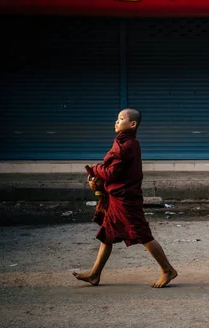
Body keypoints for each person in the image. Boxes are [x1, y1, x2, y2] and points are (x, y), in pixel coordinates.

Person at [73, 108, 178, 288]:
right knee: (107, 233)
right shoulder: (127, 142)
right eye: (117, 118)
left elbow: (113, 172)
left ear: (132, 124)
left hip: (126, 199)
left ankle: (168, 270)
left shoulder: (127, 144)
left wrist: (95, 170)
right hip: (118, 197)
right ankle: (95, 274)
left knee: (142, 234)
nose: (116, 121)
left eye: (121, 118)